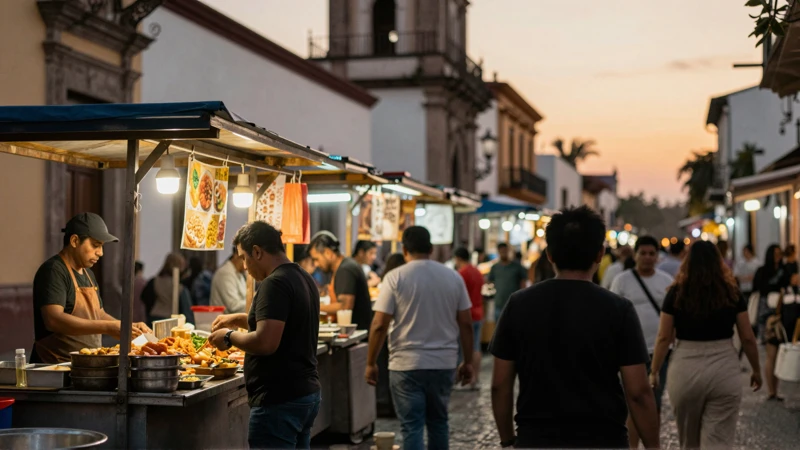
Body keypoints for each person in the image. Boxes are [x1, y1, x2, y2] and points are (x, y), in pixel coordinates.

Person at [490, 206, 658, 449]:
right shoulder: (618, 309)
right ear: (600, 254)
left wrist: (507, 441)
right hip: (603, 439)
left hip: (537, 439)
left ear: (550, 255)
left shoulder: (519, 304)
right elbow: (638, 392)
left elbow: (500, 384)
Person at [209, 221, 320, 448]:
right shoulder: (303, 277)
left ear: (257, 252)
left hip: (280, 400)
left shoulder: (274, 283)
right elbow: (280, 322)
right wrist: (239, 319)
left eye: (243, 257)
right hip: (304, 393)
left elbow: (266, 342)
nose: (244, 266)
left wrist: (229, 336)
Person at [365, 226, 474, 450]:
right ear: (431, 249)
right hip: (443, 363)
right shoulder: (453, 277)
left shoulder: (394, 278)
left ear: (404, 249)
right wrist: (468, 361)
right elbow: (466, 323)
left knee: (412, 426)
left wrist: (370, 362)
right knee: (439, 424)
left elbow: (379, 325)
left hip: (406, 365)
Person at [650, 241, 762, 449]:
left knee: (688, 441)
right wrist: (756, 369)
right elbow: (747, 337)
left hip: (685, 367)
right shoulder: (731, 292)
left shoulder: (676, 293)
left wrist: (654, 370)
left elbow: (664, 337)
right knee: (718, 440)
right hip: (724, 367)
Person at [32, 212, 151, 363]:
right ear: (75, 240)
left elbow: (98, 314)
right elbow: (54, 319)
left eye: (101, 246)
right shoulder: (54, 270)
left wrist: (126, 327)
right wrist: (108, 328)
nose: (100, 253)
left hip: (85, 365)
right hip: (56, 367)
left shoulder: (88, 274)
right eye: (96, 245)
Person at [610, 235, 674, 448]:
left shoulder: (666, 282)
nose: (647, 258)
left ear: (657, 256)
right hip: (628, 354)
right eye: (643, 253)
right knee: (631, 403)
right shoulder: (622, 280)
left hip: (658, 353)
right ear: (635, 255)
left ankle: (651, 444)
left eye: (651, 254)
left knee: (654, 404)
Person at [308, 231, 371, 331]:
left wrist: (313, 306)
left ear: (328, 253)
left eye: (316, 259)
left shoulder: (345, 269)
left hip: (357, 337)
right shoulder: (343, 267)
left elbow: (344, 307)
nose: (316, 264)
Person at [753, 244, 788, 400]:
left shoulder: (784, 270)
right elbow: (759, 288)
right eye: (776, 254)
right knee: (771, 352)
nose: (779, 256)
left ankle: (775, 389)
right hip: (767, 315)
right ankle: (771, 390)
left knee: (779, 352)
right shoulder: (763, 271)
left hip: (782, 314)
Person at [454, 247, 484, 389]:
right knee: (476, 347)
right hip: (478, 312)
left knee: (462, 347)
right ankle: (474, 379)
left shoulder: (461, 274)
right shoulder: (477, 272)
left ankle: (462, 380)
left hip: (465, 314)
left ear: (458, 259)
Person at [142, 253, 195, 326]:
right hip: (170, 319)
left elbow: (144, 297)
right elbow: (187, 311)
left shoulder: (154, 281)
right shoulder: (180, 287)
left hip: (154, 318)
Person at [488, 243, 527, 320]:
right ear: (498, 252)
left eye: (505, 251)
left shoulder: (517, 266)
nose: (503, 253)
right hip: (499, 303)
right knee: (498, 329)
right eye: (501, 251)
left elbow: (523, 282)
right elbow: (489, 281)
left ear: (508, 251)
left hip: (513, 303)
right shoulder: (495, 267)